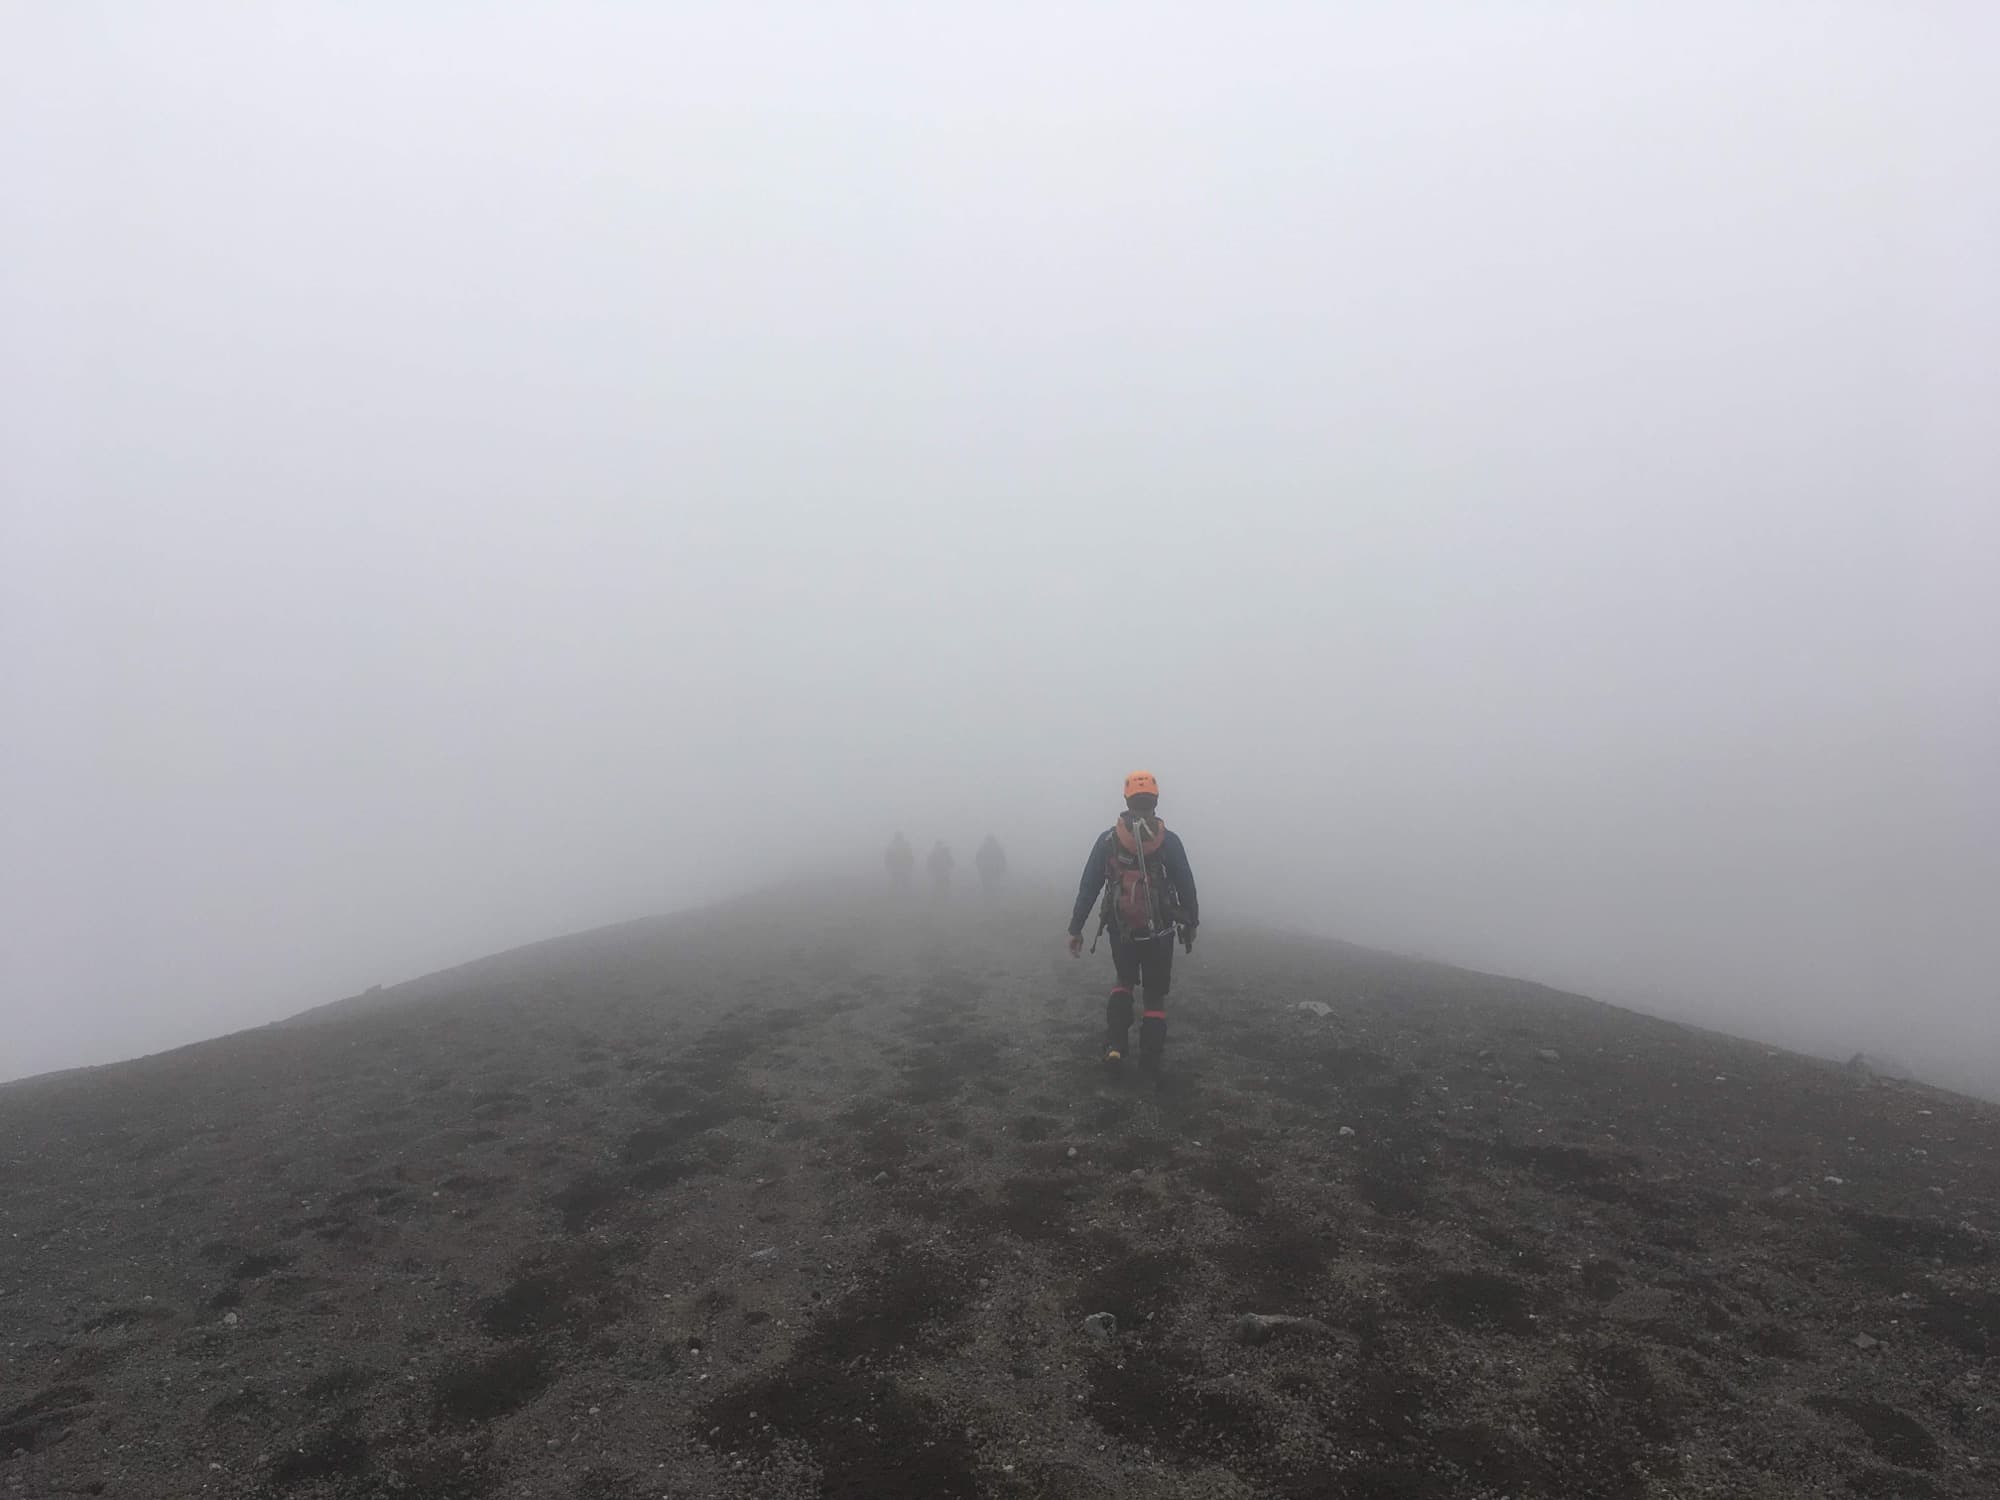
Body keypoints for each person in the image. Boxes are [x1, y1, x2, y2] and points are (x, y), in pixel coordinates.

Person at [1066, 771, 1199, 1075]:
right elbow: (1186, 885)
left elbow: (1089, 886)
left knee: (1123, 982)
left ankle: (1115, 1045)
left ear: (1126, 798)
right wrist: (1191, 921)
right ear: (1155, 799)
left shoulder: (1108, 840)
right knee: (1154, 995)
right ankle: (1150, 1060)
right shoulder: (1170, 841)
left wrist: (1076, 928)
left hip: (1121, 929)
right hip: (1160, 931)